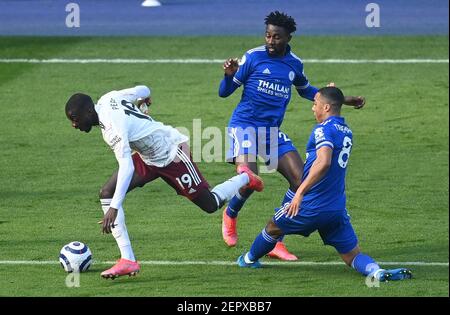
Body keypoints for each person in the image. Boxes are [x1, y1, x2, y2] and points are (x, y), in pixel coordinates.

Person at [65, 85, 264, 279]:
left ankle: (246, 176)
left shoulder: (111, 128)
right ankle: (128, 260)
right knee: (106, 192)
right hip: (147, 157)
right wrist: (142, 100)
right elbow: (143, 89)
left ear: (89, 111)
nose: (74, 125)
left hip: (172, 153)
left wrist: (114, 208)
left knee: (210, 204)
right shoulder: (109, 98)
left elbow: (127, 167)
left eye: (75, 119)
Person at [218, 11, 366, 260]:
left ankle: (276, 239)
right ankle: (231, 214)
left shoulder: (294, 64)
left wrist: (344, 99)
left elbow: (309, 92)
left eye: (277, 37)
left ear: (288, 38)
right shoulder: (253, 58)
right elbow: (225, 92)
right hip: (244, 126)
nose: (271, 41)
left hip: (272, 132)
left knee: (301, 182)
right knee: (250, 178)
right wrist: (229, 75)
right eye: (268, 35)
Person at [237, 86, 412, 282]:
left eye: (316, 103)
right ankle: (376, 271)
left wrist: (300, 193)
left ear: (326, 107)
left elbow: (324, 161)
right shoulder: (346, 131)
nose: (313, 108)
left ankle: (248, 259)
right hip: (335, 208)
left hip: (311, 205)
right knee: (352, 255)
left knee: (273, 227)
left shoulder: (323, 129)